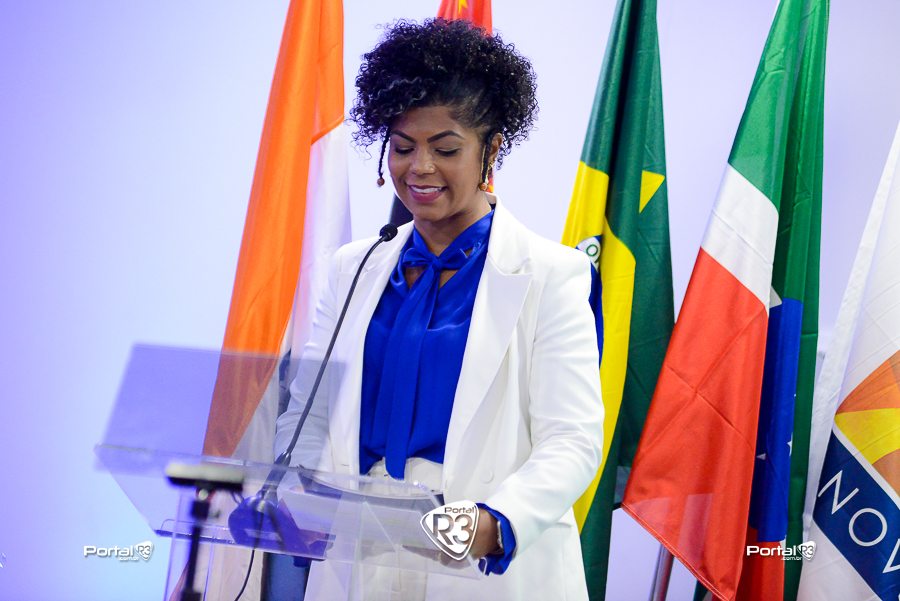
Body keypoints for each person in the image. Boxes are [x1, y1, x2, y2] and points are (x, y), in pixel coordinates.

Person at [274, 18, 603, 600]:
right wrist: (290, 491)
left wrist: (494, 522)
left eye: (445, 149)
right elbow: (308, 413)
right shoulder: (353, 268)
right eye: (403, 147)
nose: (419, 168)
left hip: (476, 554)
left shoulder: (553, 274)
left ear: (491, 149)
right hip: (359, 553)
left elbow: (572, 440)